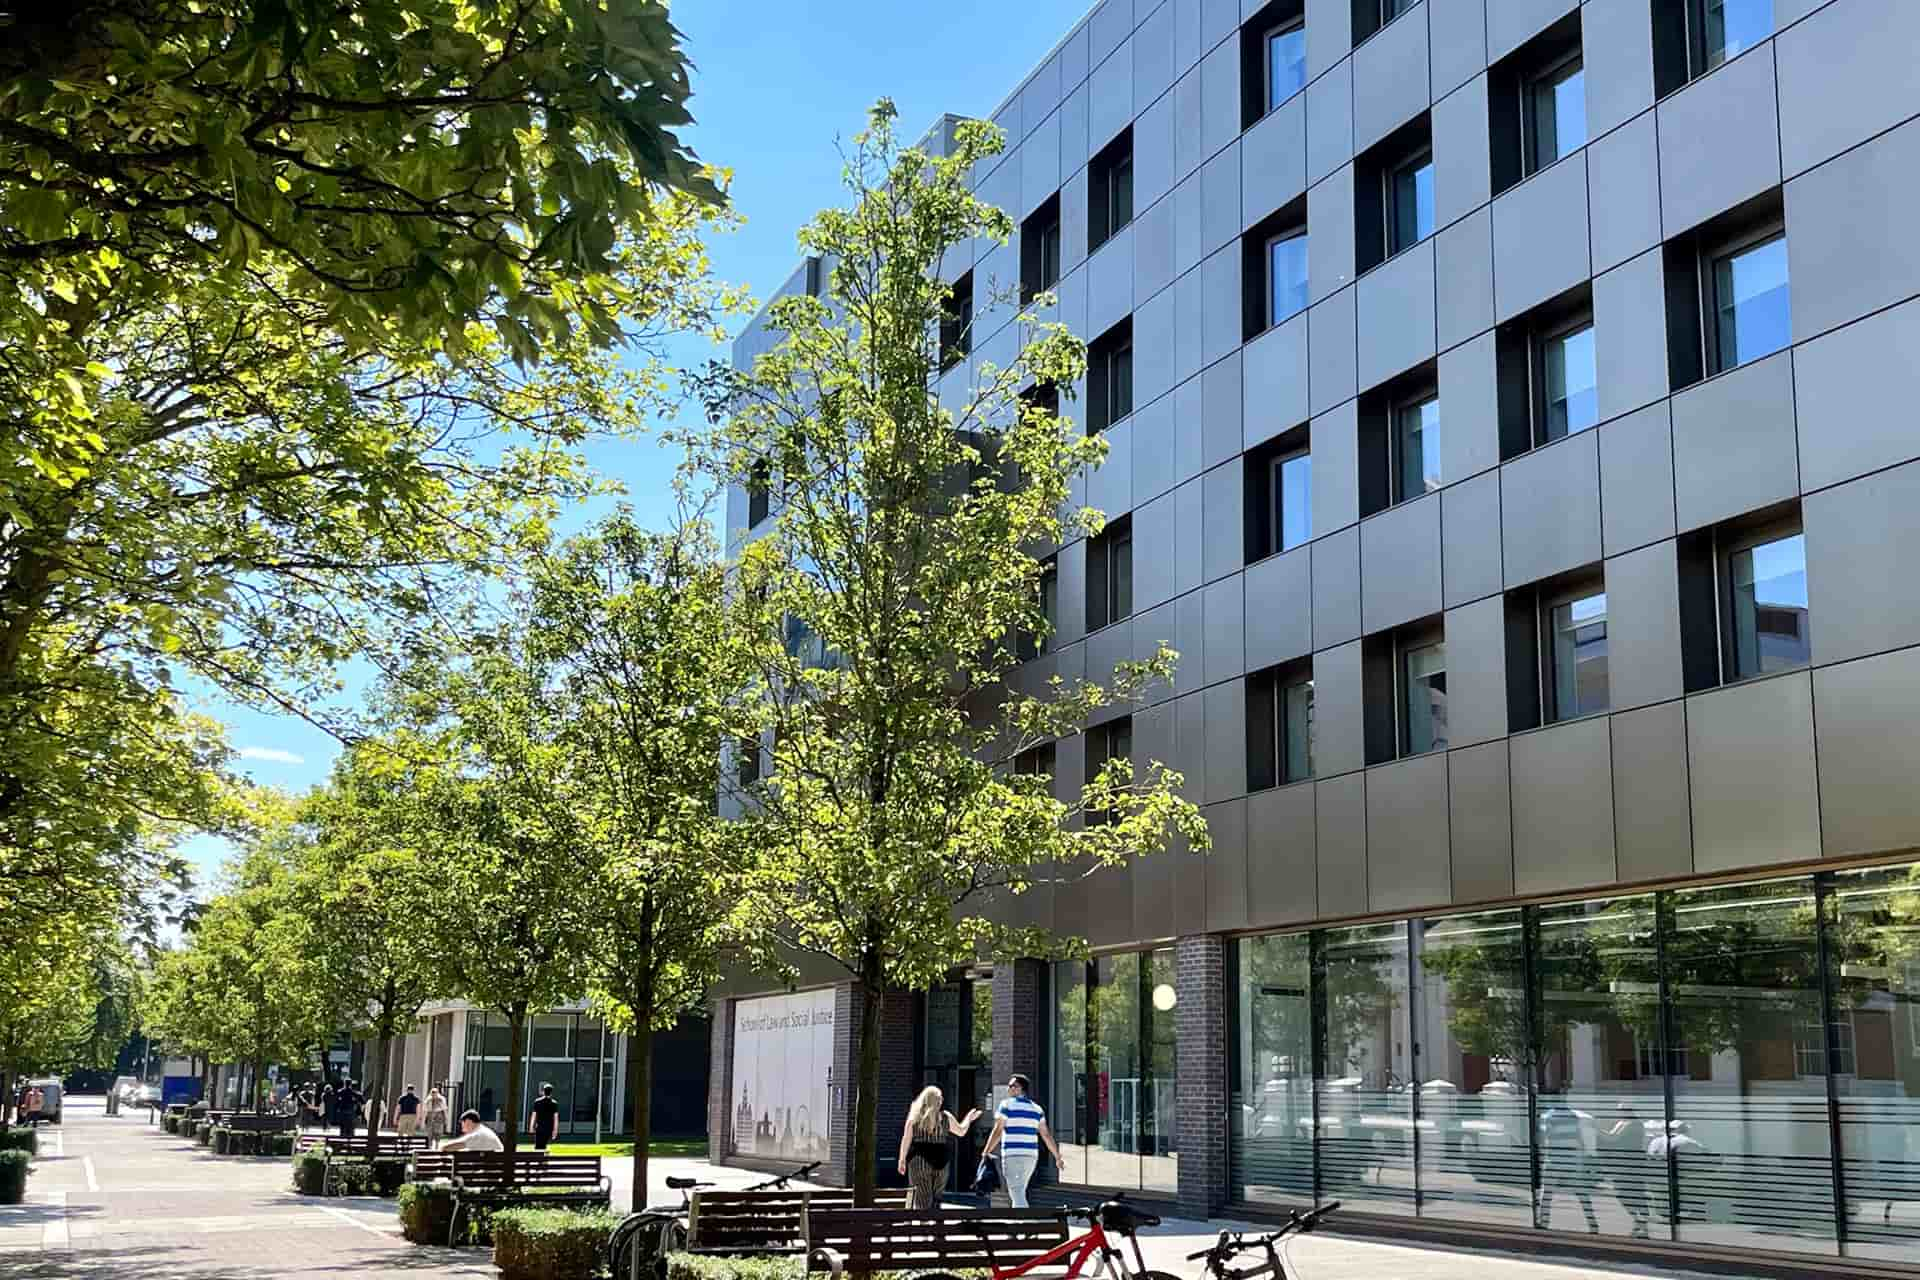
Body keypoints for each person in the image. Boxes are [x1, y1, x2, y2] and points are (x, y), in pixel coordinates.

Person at [981, 1074, 1062, 1209]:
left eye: (1013, 1086)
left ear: (1021, 1089)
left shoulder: (1006, 1105)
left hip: (1012, 1155)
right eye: (1009, 1085)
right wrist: (1057, 1157)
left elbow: (997, 1131)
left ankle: (1026, 1224)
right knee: (1019, 1192)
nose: (1009, 1088)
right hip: (1031, 1156)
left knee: (1016, 1192)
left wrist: (986, 1151)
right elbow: (1046, 1135)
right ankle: (1018, 1226)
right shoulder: (1037, 1109)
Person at [896, 1086, 982, 1209]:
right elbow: (961, 1131)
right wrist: (969, 1118)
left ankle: (924, 1225)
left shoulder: (915, 1117)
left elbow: (906, 1139)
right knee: (937, 1198)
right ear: (939, 1100)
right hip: (941, 1160)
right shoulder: (945, 1117)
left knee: (922, 1199)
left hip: (919, 1159)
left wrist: (902, 1159)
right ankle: (936, 1225)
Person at [1536, 1101, 1598, 1233]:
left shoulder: (1549, 1117)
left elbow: (1545, 1138)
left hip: (1554, 1159)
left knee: (1546, 1194)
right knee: (1582, 1194)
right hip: (1572, 1160)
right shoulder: (1574, 1117)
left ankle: (1543, 1222)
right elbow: (1579, 1140)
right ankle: (1592, 1223)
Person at [1600, 1101, 1650, 1239]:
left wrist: (1596, 1129)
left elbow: (1612, 1138)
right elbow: (1610, 1138)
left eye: (1623, 1109)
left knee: (1632, 1192)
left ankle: (1642, 1222)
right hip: (1623, 1163)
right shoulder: (1622, 1122)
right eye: (1620, 1110)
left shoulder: (1634, 1124)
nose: (1620, 1112)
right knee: (1624, 1192)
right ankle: (1639, 1220)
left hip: (1632, 1163)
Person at [527, 1082, 561, 1151]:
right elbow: (556, 1118)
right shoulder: (554, 1103)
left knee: (538, 1145)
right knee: (543, 1145)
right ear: (551, 1093)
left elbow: (534, 1115)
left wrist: (531, 1127)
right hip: (548, 1128)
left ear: (543, 1091)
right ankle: (541, 1160)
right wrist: (555, 1131)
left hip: (539, 1127)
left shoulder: (537, 1101)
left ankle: (539, 1159)